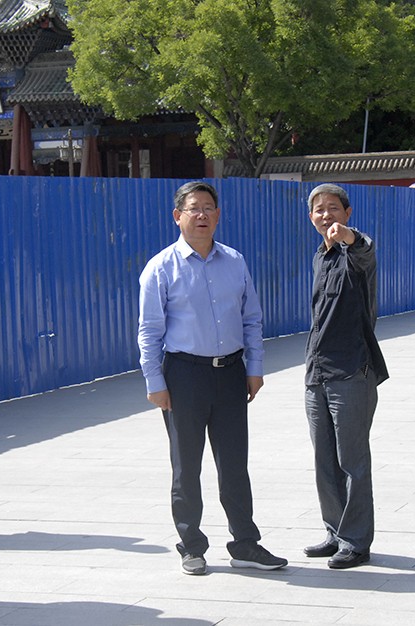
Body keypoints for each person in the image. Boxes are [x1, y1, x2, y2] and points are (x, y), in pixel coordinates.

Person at [137, 180, 287, 576]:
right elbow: (149, 331)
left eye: (208, 208)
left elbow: (252, 318)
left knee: (235, 463)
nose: (201, 215)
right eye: (193, 208)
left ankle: (245, 544)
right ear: (178, 216)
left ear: (218, 216)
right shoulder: (161, 267)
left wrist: (254, 368)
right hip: (183, 376)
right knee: (187, 466)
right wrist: (155, 382)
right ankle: (191, 545)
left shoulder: (234, 261)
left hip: (231, 374)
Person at [302, 184, 389, 570]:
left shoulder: (357, 253)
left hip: (352, 369)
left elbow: (364, 248)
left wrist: (349, 237)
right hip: (317, 371)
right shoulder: (320, 257)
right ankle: (335, 531)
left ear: (347, 213)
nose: (326, 215)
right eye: (319, 210)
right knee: (324, 460)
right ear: (311, 217)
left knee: (352, 460)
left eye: (333, 208)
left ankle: (356, 541)